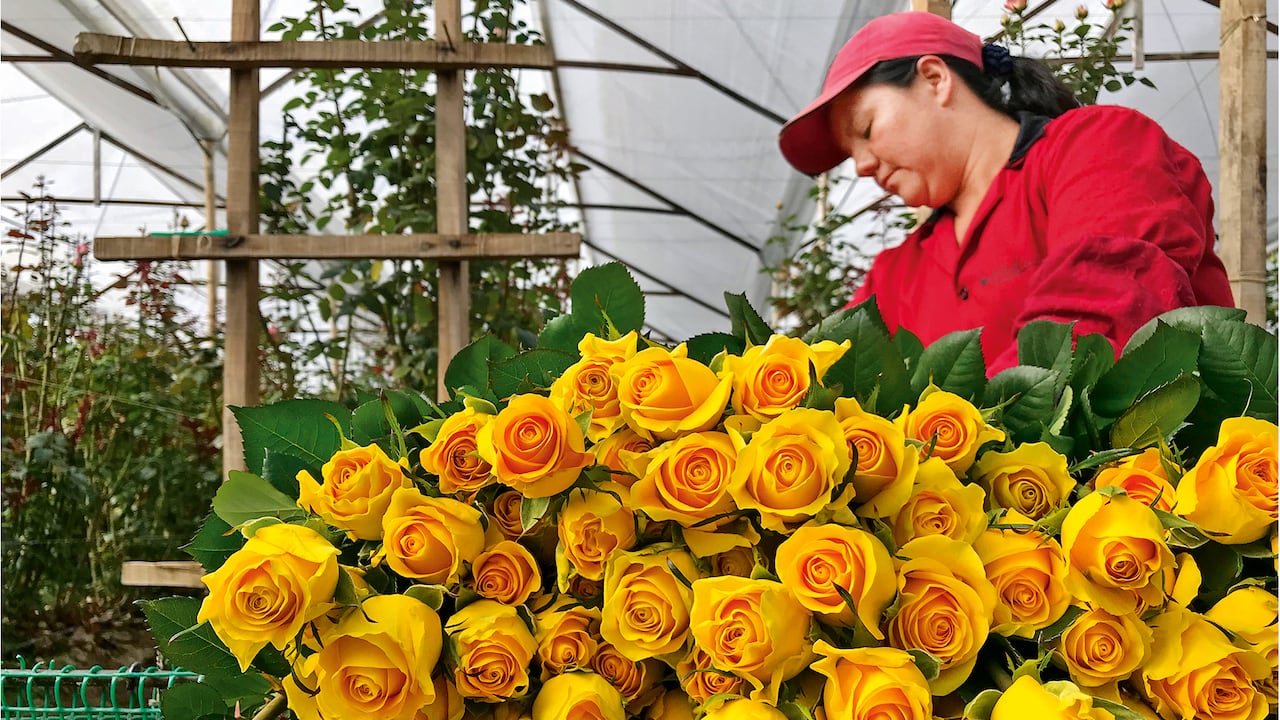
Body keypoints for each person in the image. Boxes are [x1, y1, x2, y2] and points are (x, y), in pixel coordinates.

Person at [778, 11, 1234, 374]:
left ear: (935, 79)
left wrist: (970, 438)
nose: (861, 166)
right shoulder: (894, 275)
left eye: (867, 129)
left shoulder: (1097, 144)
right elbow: (833, 375)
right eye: (849, 153)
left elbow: (1108, 306)